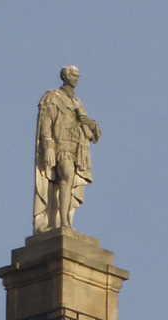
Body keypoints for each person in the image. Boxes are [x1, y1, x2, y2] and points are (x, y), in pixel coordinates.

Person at [33, 66, 101, 234]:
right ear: (65, 76)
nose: (76, 78)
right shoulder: (53, 97)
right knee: (67, 177)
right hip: (60, 147)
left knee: (67, 183)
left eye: (78, 75)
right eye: (73, 75)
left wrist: (91, 123)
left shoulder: (77, 103)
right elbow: (45, 124)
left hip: (76, 150)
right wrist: (48, 146)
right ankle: (63, 223)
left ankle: (63, 222)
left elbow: (91, 132)